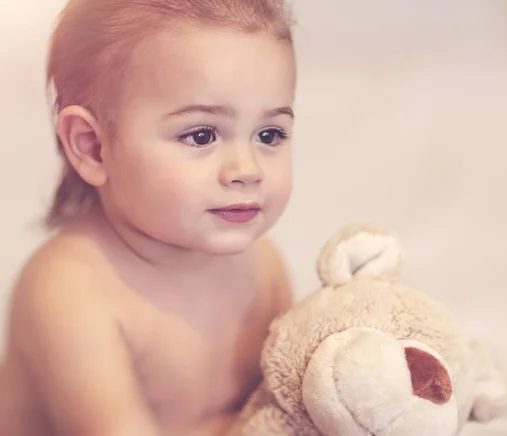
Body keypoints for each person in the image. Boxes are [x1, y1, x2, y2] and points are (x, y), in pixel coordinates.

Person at [0, 0, 296, 435]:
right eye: (201, 135)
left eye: (269, 134)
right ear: (92, 146)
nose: (247, 170)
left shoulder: (261, 263)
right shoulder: (69, 292)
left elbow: (292, 396)